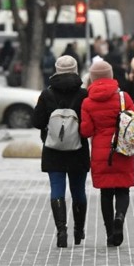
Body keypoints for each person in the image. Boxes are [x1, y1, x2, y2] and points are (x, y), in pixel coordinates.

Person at [31, 54, 90, 247]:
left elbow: (37, 121)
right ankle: (78, 230)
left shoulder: (46, 94)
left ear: (56, 71)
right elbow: (89, 124)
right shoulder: (83, 95)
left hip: (53, 150)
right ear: (75, 70)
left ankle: (61, 231)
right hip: (78, 150)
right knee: (78, 191)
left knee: (57, 190)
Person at [80, 57, 134, 247]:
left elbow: (86, 131)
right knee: (123, 189)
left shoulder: (87, 102)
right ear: (111, 76)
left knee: (106, 193)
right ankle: (120, 217)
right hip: (122, 149)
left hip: (101, 154)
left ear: (92, 78)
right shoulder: (124, 98)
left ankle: (109, 234)